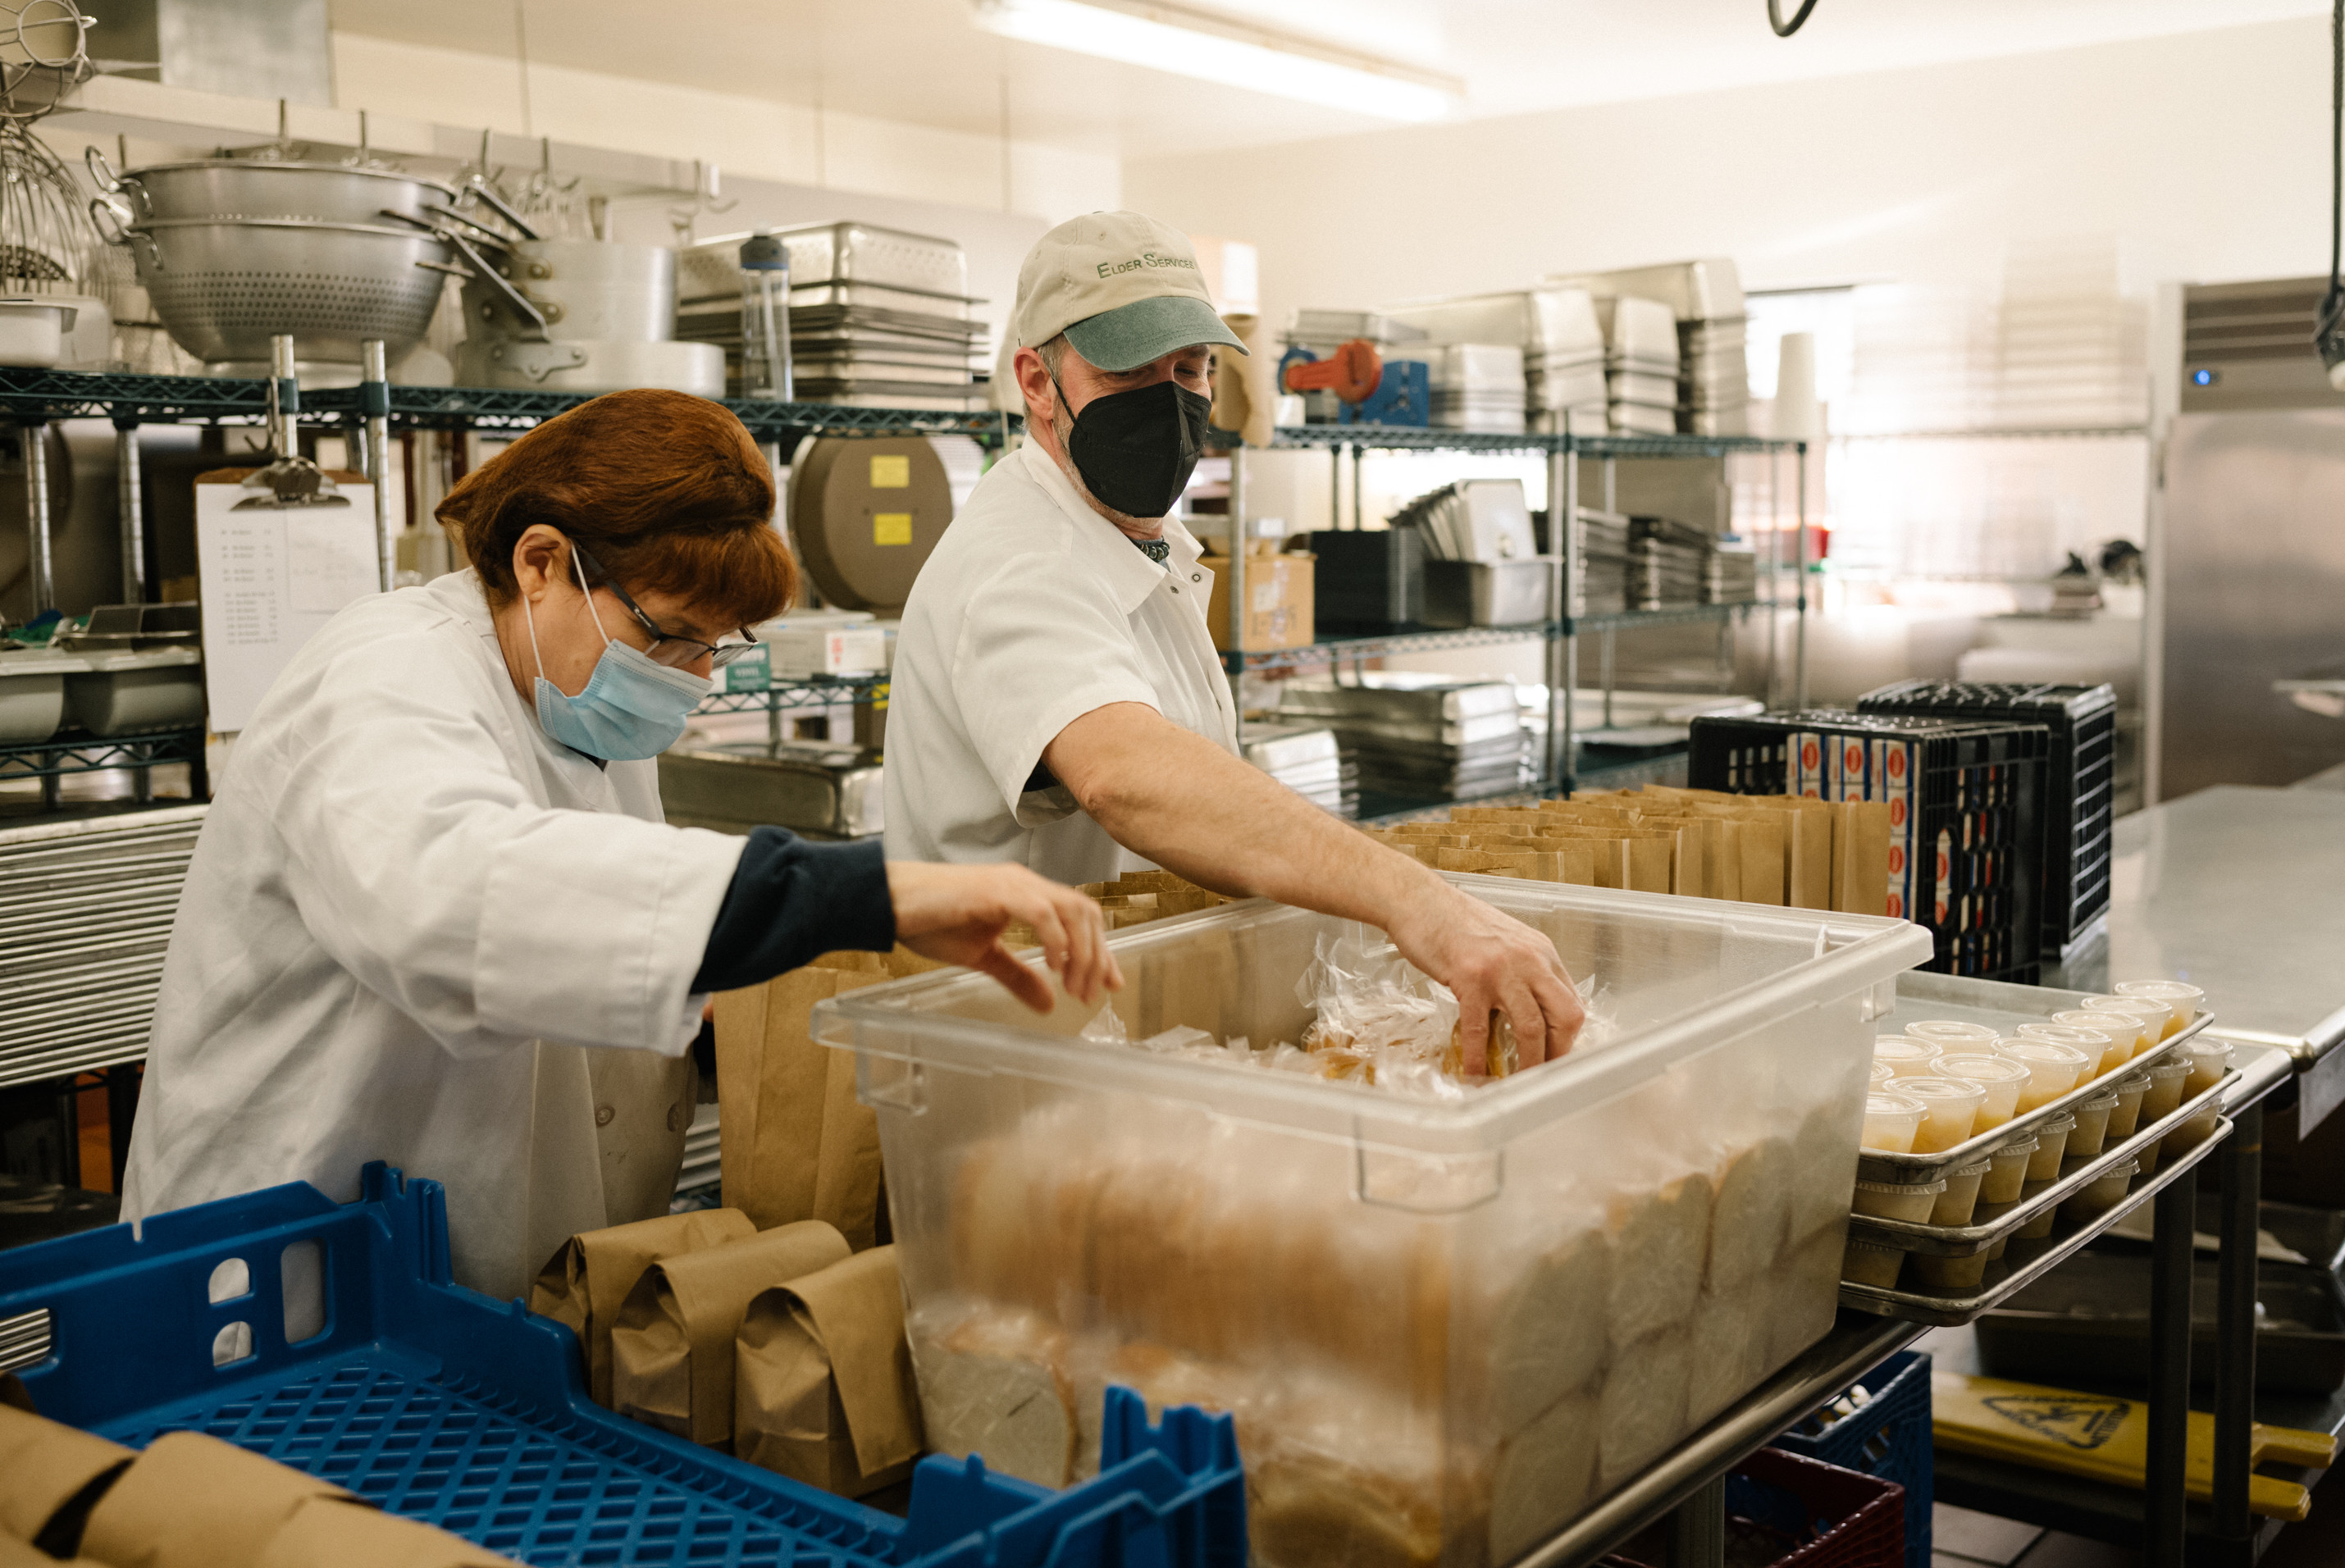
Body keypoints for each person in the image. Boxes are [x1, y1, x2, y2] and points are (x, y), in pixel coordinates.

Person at [121, 390, 1117, 1301]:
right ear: (541, 562)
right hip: (282, 1295)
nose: (691, 680)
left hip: (475, 1291)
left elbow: (605, 928)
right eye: (671, 635)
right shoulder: (380, 683)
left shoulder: (579, 703)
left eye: (713, 650)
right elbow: (464, 901)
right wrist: (862, 892)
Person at [885, 212, 1583, 1069]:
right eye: (1126, 369)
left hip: (1113, 1039)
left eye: (1188, 368)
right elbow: (1125, 773)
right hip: (1013, 1064)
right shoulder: (1019, 559)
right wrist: (1416, 901)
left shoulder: (1139, 540)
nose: (1168, 398)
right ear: (1036, 380)